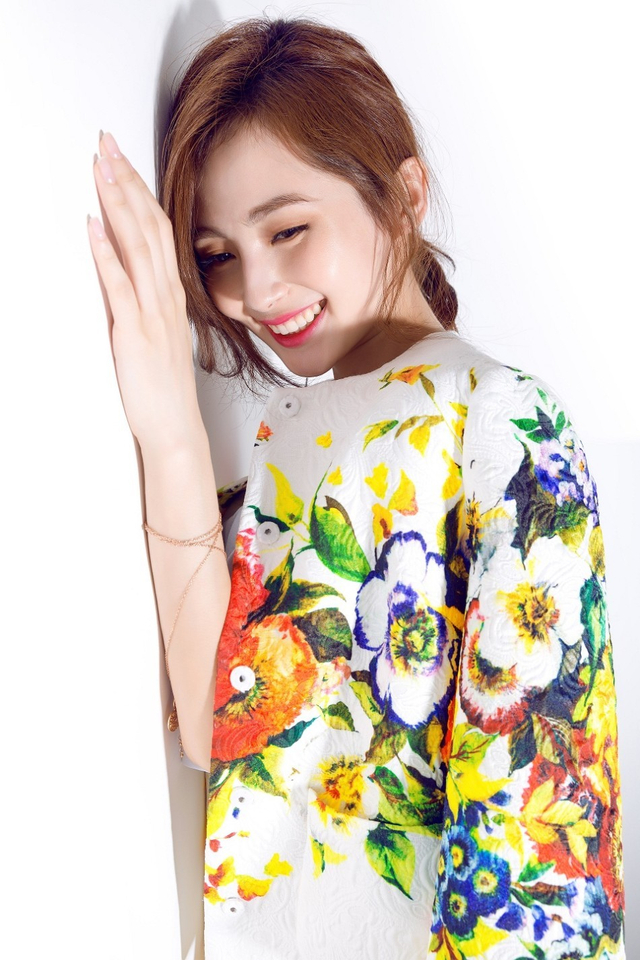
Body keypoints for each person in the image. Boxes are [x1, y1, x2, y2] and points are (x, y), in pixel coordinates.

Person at [87, 15, 625, 960]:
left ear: (404, 194)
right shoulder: (276, 443)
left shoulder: (499, 416)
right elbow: (223, 735)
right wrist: (169, 426)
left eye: (288, 230)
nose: (257, 290)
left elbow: (540, 841)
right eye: (216, 256)